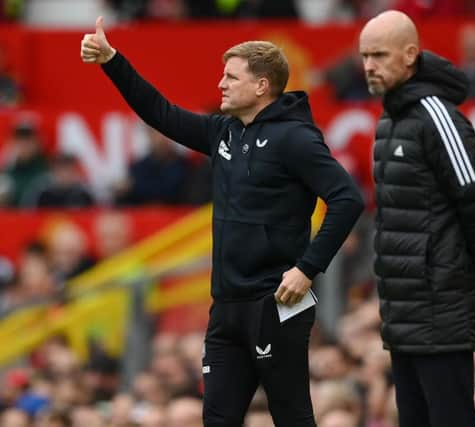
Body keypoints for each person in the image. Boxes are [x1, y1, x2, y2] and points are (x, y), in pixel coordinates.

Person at [80, 17, 364, 426]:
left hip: (276, 304)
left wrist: (307, 268)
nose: (221, 84)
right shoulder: (224, 132)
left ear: (262, 85)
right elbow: (159, 112)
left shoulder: (296, 139)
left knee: (292, 417)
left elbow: (347, 198)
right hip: (226, 306)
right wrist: (111, 60)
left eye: (231, 76)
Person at [359, 10, 475, 427]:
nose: (369, 65)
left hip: (439, 304)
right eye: (365, 56)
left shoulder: (437, 116)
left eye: (379, 55)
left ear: (410, 55)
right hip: (403, 307)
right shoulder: (390, 120)